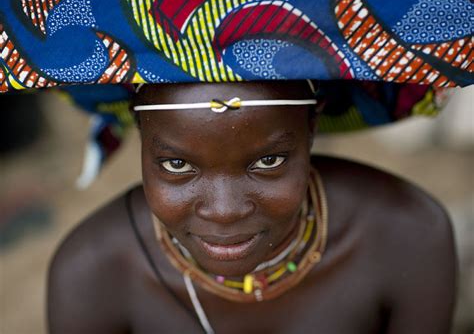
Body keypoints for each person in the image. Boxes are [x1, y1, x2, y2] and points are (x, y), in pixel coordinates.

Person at [47, 80, 456, 333]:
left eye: (268, 161)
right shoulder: (92, 275)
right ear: (141, 133)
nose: (225, 211)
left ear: (311, 128)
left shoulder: (407, 236)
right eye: (177, 165)